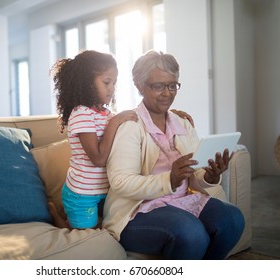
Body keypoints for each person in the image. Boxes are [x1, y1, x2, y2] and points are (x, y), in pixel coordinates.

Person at [102, 50, 245, 259]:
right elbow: (121, 182)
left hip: (182, 202)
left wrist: (211, 175)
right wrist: (170, 179)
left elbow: (195, 173)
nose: (167, 93)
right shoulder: (131, 126)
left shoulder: (183, 123)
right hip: (138, 211)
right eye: (158, 86)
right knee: (192, 233)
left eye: (172, 85)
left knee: (232, 219)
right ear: (140, 87)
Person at [49, 50, 193, 230]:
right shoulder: (81, 114)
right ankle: (55, 213)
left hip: (103, 191)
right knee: (85, 234)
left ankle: (68, 212)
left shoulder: (106, 114)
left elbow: (134, 117)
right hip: (83, 193)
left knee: (102, 226)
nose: (111, 88)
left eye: (114, 83)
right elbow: (98, 159)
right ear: (87, 83)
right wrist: (115, 122)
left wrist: (171, 114)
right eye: (106, 82)